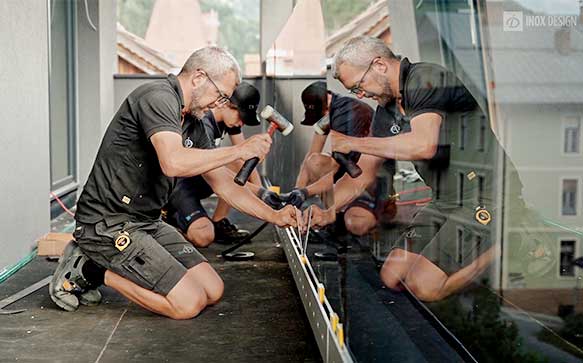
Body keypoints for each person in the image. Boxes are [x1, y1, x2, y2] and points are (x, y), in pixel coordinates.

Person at [49, 47, 298, 319]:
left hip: (146, 221)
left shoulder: (195, 121)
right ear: (199, 78)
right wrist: (239, 151)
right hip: (107, 222)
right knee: (187, 304)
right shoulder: (157, 98)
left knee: (213, 290)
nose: (219, 104)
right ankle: (90, 268)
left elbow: (225, 184)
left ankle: (99, 264)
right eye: (220, 95)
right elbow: (173, 162)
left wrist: (274, 215)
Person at [307, 36, 554, 302]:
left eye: (358, 86)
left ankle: (508, 241)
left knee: (425, 287)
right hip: (446, 199)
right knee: (392, 276)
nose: (360, 95)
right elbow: (362, 175)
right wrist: (327, 211)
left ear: (378, 65)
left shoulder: (426, 78)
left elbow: (424, 145)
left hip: (486, 195)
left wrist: (353, 141)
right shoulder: (386, 111)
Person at [164, 82, 265, 247]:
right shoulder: (203, 124)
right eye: (241, 117)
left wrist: (263, 195)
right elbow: (217, 174)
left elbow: (246, 160)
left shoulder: (230, 120)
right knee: (204, 237)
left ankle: (218, 222)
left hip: (202, 178)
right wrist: (260, 197)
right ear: (226, 105)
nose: (242, 124)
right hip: (178, 185)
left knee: (236, 162)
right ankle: (169, 220)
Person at [287, 81, 394, 236]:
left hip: (371, 181)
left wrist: (306, 192)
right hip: (350, 174)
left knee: (356, 224)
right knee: (315, 162)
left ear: (327, 104)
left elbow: (345, 170)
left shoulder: (350, 113)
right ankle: (336, 214)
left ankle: (376, 211)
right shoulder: (328, 113)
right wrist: (295, 196)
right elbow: (310, 157)